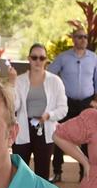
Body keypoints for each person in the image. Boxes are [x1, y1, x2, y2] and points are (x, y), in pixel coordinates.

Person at [48, 28, 97, 182]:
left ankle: (84, 174)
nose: (83, 40)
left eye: (85, 37)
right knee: (61, 134)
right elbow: (49, 74)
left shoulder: (93, 58)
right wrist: (54, 95)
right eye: (80, 37)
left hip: (86, 102)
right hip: (66, 102)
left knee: (87, 138)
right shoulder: (63, 57)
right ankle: (58, 171)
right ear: (73, 39)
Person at [12, 43, 68, 180]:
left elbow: (63, 109)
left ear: (46, 60)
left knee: (42, 173)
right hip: (23, 128)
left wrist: (49, 115)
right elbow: (13, 106)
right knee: (19, 171)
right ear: (29, 59)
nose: (38, 61)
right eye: (34, 57)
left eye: (41, 58)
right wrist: (11, 84)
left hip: (45, 129)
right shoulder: (19, 81)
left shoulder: (55, 81)